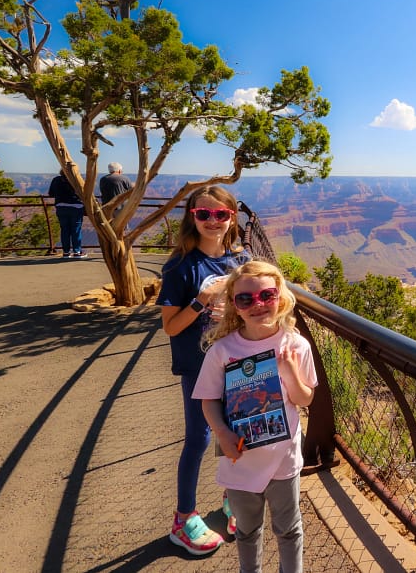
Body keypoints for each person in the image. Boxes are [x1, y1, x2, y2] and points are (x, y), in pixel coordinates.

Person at [193, 260, 317, 573]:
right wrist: (222, 433)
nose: (258, 304)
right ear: (234, 305)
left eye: (267, 295)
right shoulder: (222, 351)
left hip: (283, 457)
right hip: (240, 456)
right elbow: (208, 399)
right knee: (247, 530)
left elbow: (305, 399)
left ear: (280, 297)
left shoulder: (296, 346)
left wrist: (290, 371)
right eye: (246, 299)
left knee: (289, 529)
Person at [156, 186, 251, 555]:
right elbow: (170, 327)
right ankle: (183, 519)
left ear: (231, 218)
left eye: (221, 214)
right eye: (204, 214)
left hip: (238, 362)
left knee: (238, 432)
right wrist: (202, 300)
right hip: (199, 367)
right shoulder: (180, 266)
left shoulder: (241, 261)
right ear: (192, 217)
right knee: (199, 439)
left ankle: (232, 499)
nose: (213, 221)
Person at [48, 167, 86, 258]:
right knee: (76, 230)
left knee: (64, 230)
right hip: (76, 207)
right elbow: (85, 193)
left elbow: (51, 193)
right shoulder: (77, 180)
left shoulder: (56, 180)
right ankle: (77, 251)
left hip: (61, 207)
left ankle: (66, 252)